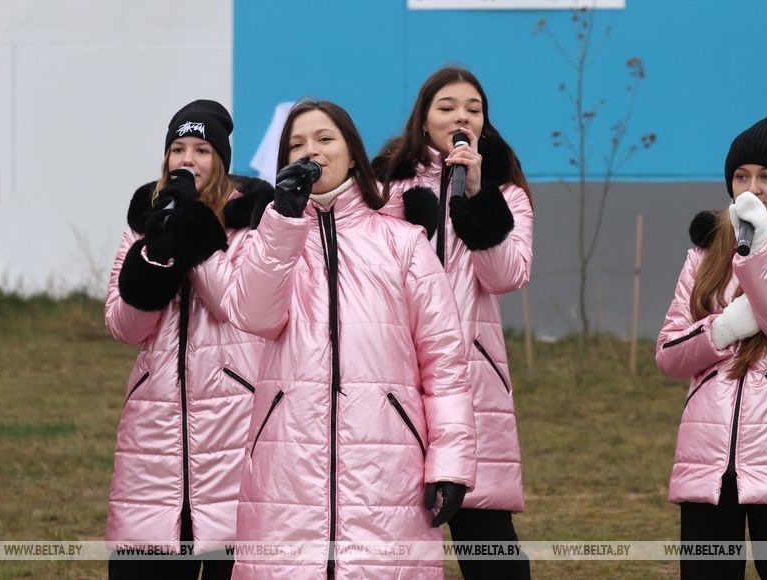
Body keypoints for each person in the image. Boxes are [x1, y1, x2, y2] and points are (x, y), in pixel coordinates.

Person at [222, 100, 477, 579]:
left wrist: (451, 462)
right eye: (296, 144)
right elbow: (254, 314)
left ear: (353, 155)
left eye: (324, 139)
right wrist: (283, 221)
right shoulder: (269, 240)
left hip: (386, 467)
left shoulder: (402, 242)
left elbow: (444, 362)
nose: (311, 151)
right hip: (287, 465)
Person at [656, 114, 767, 580]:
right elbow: (670, 353)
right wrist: (721, 330)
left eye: (766, 177)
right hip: (708, 458)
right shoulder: (703, 252)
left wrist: (757, 249)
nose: (753, 188)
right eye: (742, 176)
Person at [373, 66, 533, 579]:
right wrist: (408, 230)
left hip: (471, 387)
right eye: (446, 106)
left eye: (473, 108)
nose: (460, 115)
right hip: (394, 381)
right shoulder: (385, 187)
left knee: (489, 547)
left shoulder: (507, 194)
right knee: (389, 539)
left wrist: (477, 199)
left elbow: (507, 275)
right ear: (423, 119)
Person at [104, 99, 274, 579]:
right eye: (177, 148)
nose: (187, 159)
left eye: (201, 149)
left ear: (220, 160)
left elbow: (239, 307)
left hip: (231, 423)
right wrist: (155, 254)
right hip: (153, 427)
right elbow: (124, 325)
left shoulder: (252, 223)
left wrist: (198, 235)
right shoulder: (146, 219)